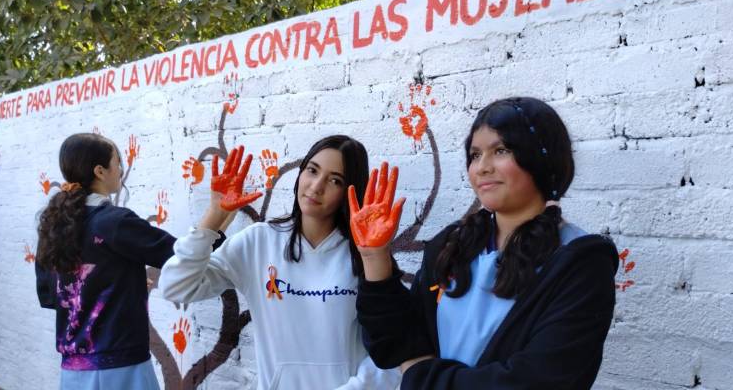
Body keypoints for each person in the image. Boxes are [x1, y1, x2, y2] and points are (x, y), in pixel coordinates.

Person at [351, 97, 619, 389]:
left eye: (501, 151)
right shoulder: (452, 244)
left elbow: (539, 380)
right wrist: (374, 256)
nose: (482, 167)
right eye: (475, 155)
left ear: (541, 157)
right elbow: (397, 343)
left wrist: (421, 376)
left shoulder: (579, 262)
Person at [159, 135, 401, 390]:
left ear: (349, 191)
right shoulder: (258, 242)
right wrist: (214, 216)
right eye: (312, 170)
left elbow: (391, 352)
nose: (316, 186)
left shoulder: (364, 255)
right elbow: (176, 287)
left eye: (335, 180)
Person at [35, 133, 255, 389]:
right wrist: (221, 213)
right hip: (120, 371)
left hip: (73, 373)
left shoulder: (53, 226)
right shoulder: (114, 222)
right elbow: (184, 258)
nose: (121, 170)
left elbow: (50, 296)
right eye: (117, 162)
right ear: (100, 171)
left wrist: (120, 283)